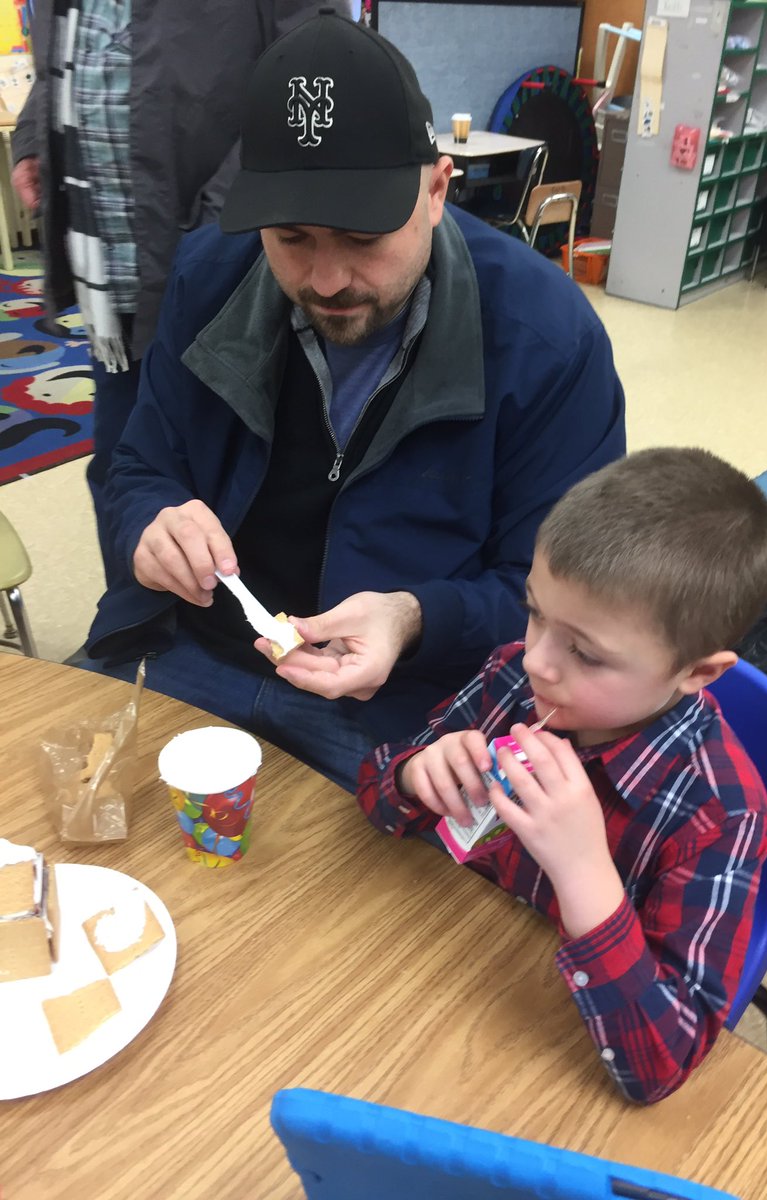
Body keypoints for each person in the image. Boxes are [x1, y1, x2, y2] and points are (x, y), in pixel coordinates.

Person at [82, 10, 626, 792]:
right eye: (293, 238)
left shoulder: (547, 343)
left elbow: (572, 609)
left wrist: (415, 620)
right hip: (190, 656)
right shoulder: (208, 276)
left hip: (403, 718)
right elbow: (138, 466)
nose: (328, 280)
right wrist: (149, 522)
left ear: (438, 189)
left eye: (364, 237)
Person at [357, 447, 767, 1104]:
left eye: (584, 652)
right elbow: (376, 788)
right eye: (534, 612)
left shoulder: (720, 813)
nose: (538, 661)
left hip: (539, 1057)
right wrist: (416, 776)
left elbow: (662, 1064)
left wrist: (584, 871)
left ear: (697, 673)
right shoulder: (508, 679)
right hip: (426, 972)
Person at [11, 0, 346, 581]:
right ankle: (131, 629)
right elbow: (64, 51)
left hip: (227, 261)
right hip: (107, 267)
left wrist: (222, 221)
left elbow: (320, 66)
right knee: (124, 469)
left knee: (233, 479)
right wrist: (34, 137)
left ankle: (241, 646)